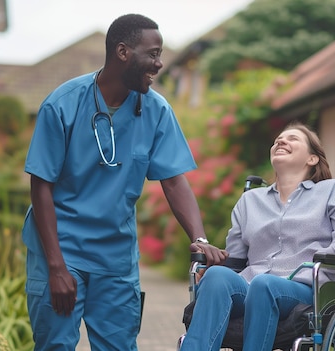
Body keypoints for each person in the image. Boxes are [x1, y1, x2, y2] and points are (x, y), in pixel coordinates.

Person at [21, 13, 228, 351]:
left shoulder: (156, 110)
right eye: (153, 54)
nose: (159, 64)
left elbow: (174, 181)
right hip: (61, 249)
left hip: (115, 257)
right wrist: (57, 267)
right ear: (122, 52)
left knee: (119, 346)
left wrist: (199, 237)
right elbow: (40, 185)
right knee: (55, 345)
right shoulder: (63, 104)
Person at [179, 122, 335, 351]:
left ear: (312, 159)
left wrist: (319, 266)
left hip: (304, 288)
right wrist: (214, 264)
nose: (281, 141)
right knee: (218, 276)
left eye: (293, 139)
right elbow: (235, 258)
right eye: (278, 139)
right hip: (251, 285)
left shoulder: (330, 191)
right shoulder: (250, 201)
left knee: (264, 284)